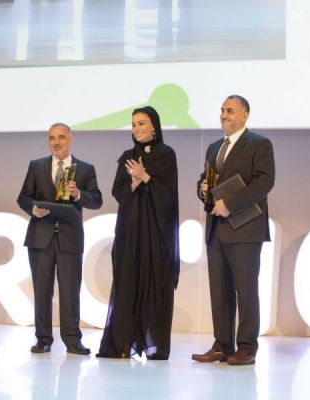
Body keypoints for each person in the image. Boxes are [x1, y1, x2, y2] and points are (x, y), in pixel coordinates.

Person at [192, 95, 275, 365]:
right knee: (220, 290)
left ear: (245, 115)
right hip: (217, 229)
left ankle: (247, 347)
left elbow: (264, 182)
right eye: (222, 110)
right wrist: (203, 189)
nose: (224, 115)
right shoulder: (215, 147)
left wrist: (229, 204)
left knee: (246, 289)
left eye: (230, 110)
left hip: (245, 229)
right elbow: (204, 180)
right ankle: (223, 344)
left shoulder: (259, 144)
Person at [97, 106, 180, 360]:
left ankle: (155, 346)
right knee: (127, 284)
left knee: (154, 285)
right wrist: (132, 183)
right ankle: (122, 344)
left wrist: (146, 177)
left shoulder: (167, 154)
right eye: (133, 124)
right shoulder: (126, 156)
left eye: (141, 123)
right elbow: (117, 192)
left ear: (154, 125)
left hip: (155, 234)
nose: (136, 129)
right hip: (130, 232)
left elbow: (168, 196)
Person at [17, 123, 103, 355]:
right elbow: (23, 197)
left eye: (61, 137)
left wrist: (78, 194)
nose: (56, 142)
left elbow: (96, 200)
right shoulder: (36, 166)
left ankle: (73, 340)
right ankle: (43, 339)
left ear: (70, 139)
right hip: (40, 237)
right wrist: (32, 209)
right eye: (52, 138)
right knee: (42, 290)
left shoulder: (84, 169)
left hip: (69, 238)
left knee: (70, 291)